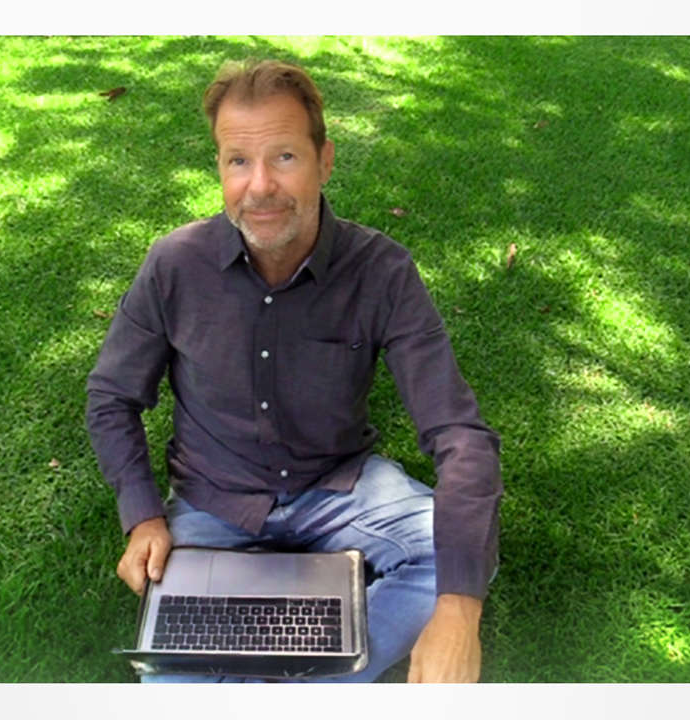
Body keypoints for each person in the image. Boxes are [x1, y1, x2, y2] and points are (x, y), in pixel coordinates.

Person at [85, 58, 502, 683]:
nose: (259, 187)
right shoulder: (175, 265)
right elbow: (111, 396)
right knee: (173, 680)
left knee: (458, 561)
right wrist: (143, 515)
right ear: (219, 167)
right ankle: (318, 663)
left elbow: (460, 434)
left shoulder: (382, 271)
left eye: (284, 157)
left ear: (324, 161)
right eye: (238, 161)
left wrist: (460, 612)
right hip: (211, 500)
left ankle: (303, 678)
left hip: (338, 486)